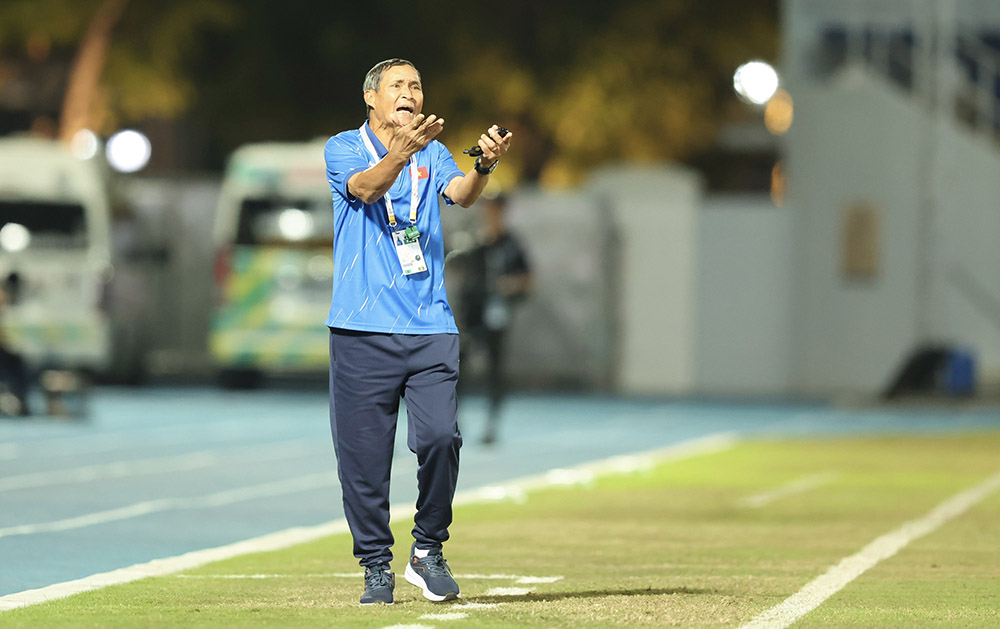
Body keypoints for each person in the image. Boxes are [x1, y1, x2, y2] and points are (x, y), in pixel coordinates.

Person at [323, 58, 512, 606]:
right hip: (361, 331)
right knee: (363, 460)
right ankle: (375, 566)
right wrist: (400, 152)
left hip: (430, 325)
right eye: (398, 86)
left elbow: (461, 193)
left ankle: (427, 550)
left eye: (417, 85)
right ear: (371, 98)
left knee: (440, 437)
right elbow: (365, 188)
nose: (410, 93)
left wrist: (485, 165)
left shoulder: (431, 150)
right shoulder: (343, 147)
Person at [457, 194, 532, 444]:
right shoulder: (474, 242)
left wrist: (510, 285)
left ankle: (492, 423)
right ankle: (455, 420)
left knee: (495, 370)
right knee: (457, 367)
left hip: (496, 314)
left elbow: (527, 278)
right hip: (472, 314)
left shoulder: (511, 244)